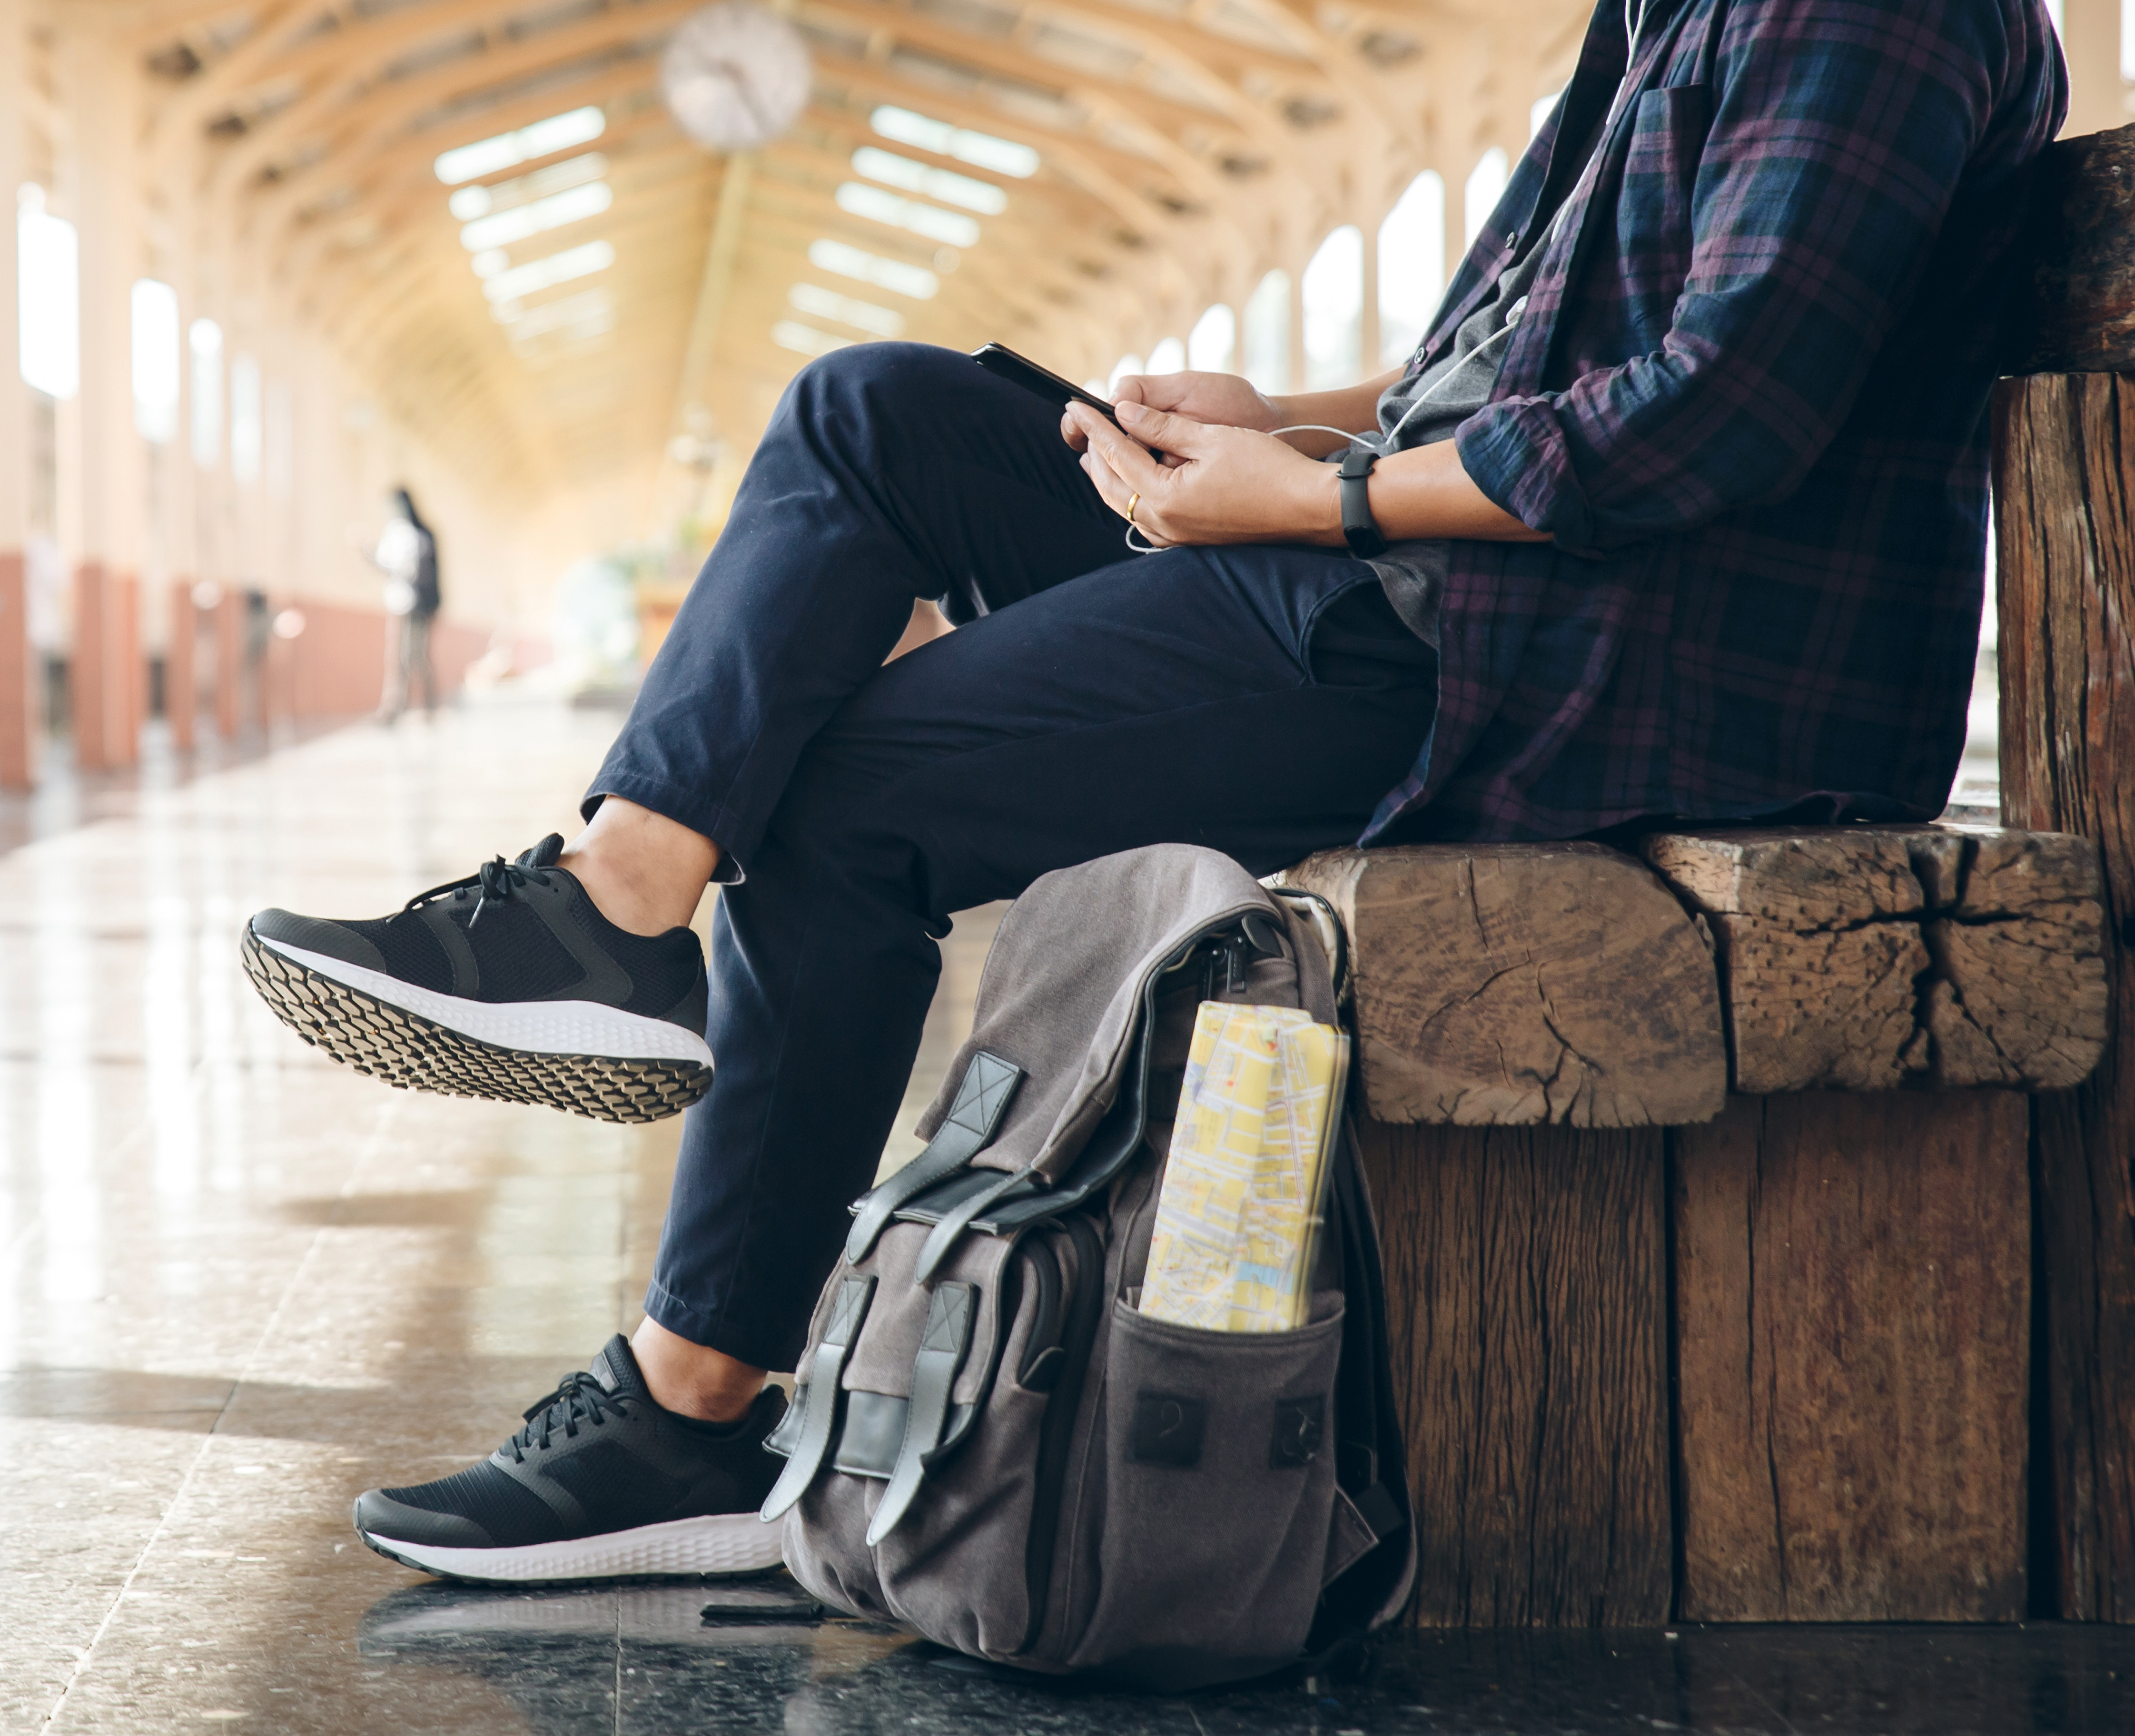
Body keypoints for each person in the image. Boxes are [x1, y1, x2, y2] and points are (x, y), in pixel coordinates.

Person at [241, 0, 2064, 1585]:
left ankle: (689, 1404)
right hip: (1438, 582)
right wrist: (1281, 426)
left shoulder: (1860, 9)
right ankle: (617, 902)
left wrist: (1312, 502)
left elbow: (1711, 413)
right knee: (872, 410)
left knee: (833, 788)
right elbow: (1507, 362)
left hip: (1576, 663)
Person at [372, 488, 442, 723]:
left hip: (419, 606)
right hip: (399, 605)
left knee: (418, 657)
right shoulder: (396, 533)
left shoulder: (421, 535)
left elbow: (428, 575)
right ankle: (394, 708)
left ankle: (429, 707)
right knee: (396, 657)